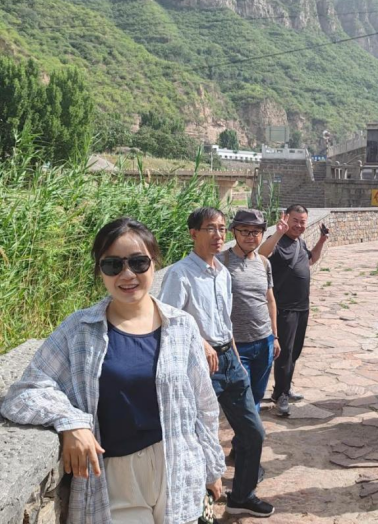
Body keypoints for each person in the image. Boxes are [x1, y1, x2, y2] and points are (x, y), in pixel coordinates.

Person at [1, 218, 226, 524]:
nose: (127, 274)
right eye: (113, 265)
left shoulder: (181, 326)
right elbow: (24, 392)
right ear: (100, 271)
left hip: (179, 466)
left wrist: (212, 470)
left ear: (155, 262)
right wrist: (71, 422)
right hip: (115, 478)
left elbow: (204, 404)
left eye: (138, 262)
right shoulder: (80, 329)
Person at [158, 207, 274, 518]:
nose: (218, 235)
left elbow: (225, 322)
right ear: (193, 233)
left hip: (229, 360)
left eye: (222, 228)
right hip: (199, 366)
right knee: (198, 439)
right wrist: (201, 342)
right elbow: (167, 322)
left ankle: (242, 495)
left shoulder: (222, 273)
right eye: (210, 228)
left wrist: (234, 357)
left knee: (253, 432)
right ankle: (200, 509)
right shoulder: (180, 274)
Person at [258, 204, 329, 417]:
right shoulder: (278, 241)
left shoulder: (299, 242)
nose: (298, 225)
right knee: (285, 353)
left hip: (302, 307)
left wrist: (322, 240)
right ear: (286, 219)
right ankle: (281, 395)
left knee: (294, 351)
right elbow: (261, 254)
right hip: (284, 308)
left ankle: (284, 388)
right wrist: (278, 232)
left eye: (302, 222)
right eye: (295, 221)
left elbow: (311, 260)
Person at [219, 209, 281, 410]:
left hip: (264, 341)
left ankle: (250, 428)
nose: (250, 236)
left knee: (257, 394)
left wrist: (275, 336)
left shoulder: (264, 263)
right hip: (237, 344)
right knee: (242, 396)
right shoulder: (221, 262)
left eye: (256, 232)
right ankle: (250, 428)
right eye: (244, 231)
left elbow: (269, 300)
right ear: (234, 232)